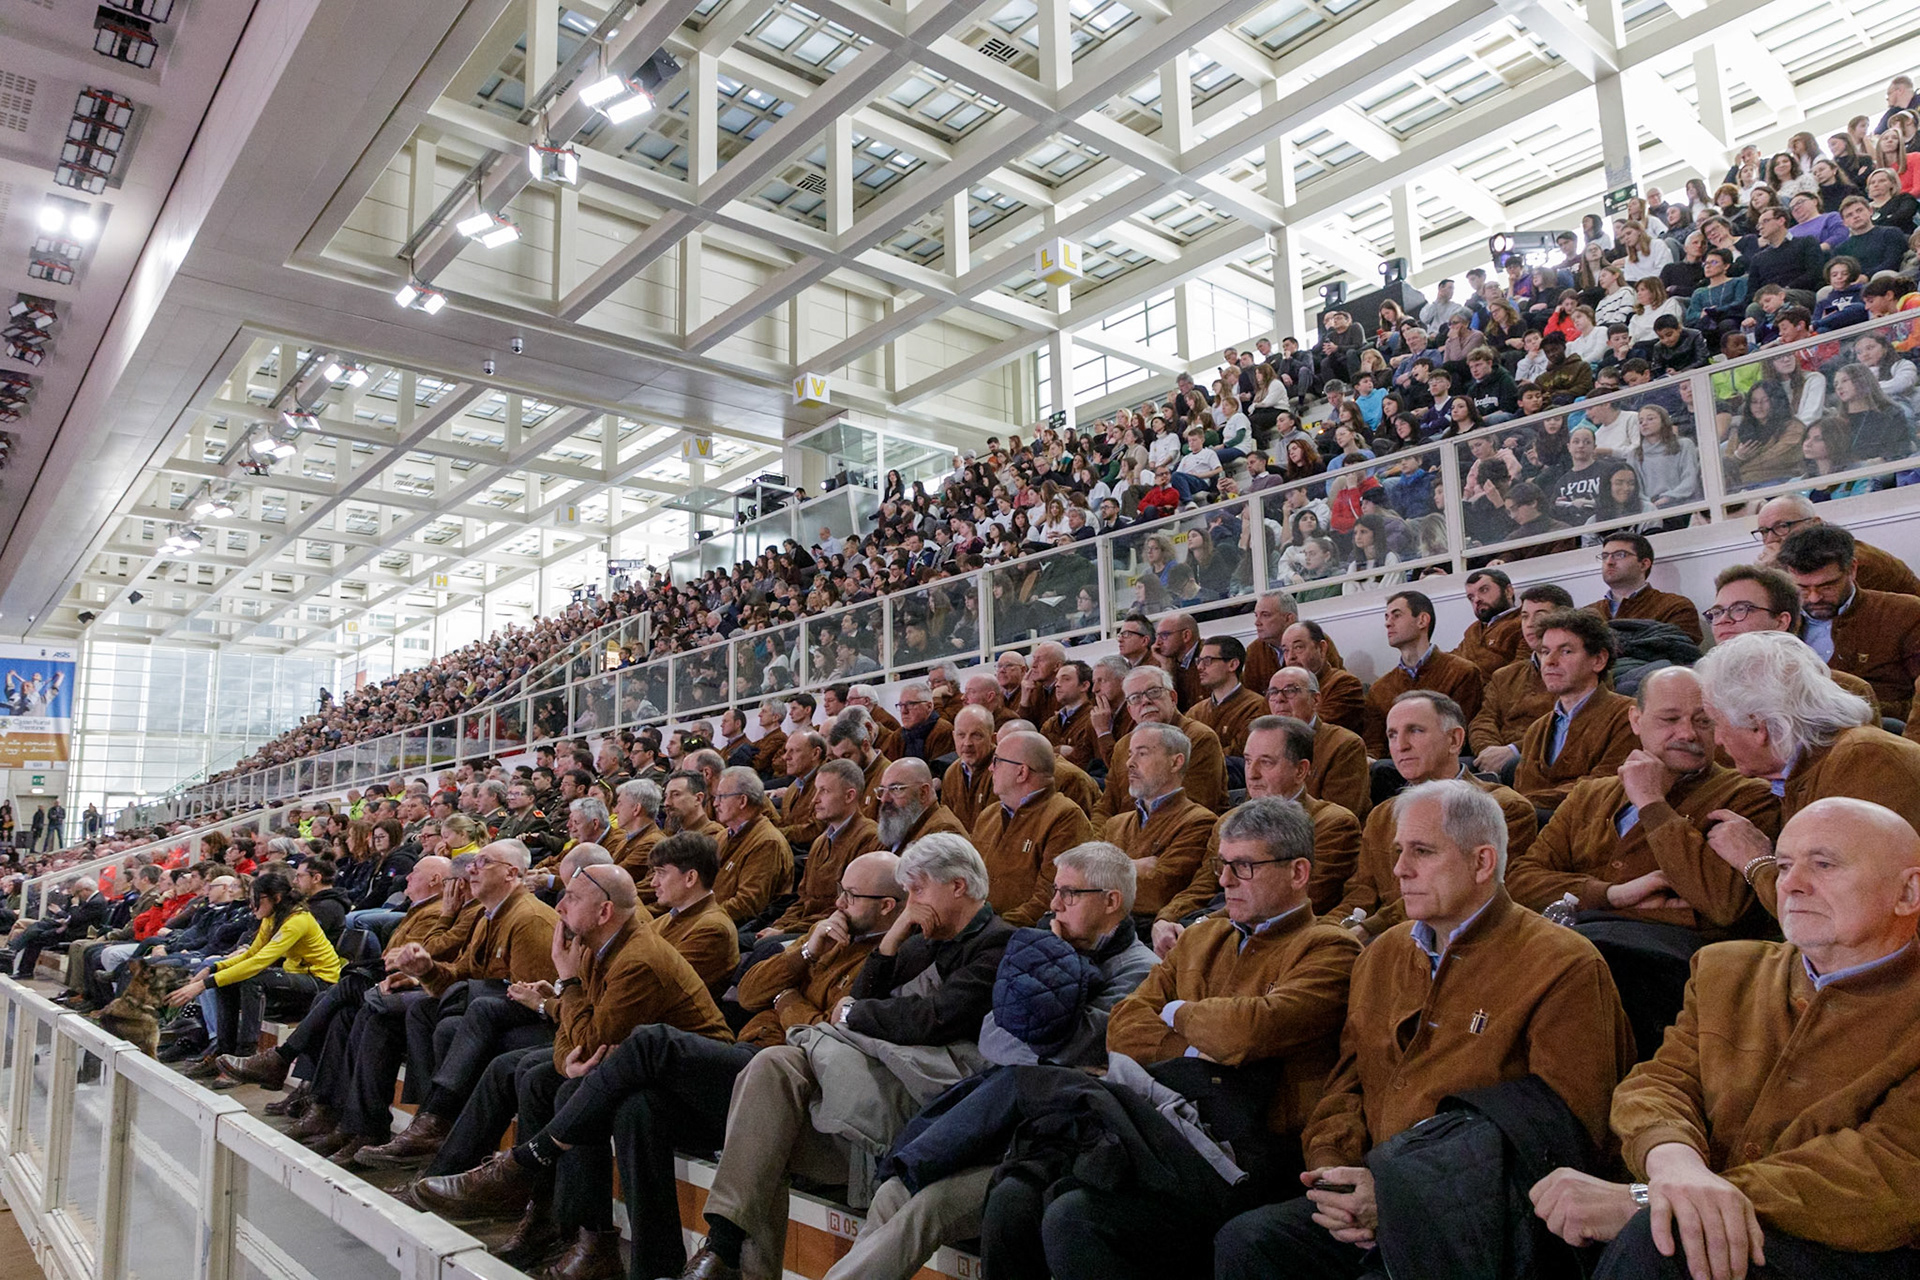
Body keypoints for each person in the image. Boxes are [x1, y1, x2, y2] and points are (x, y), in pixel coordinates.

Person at [408, 852, 907, 1280]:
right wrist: (806, 951)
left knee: (645, 1044)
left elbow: (821, 1032)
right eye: (839, 890)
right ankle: (641, 1260)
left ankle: (528, 1162)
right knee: (623, 1105)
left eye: (851, 896)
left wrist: (566, 989)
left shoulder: (885, 960)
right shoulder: (827, 941)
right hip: (741, 1068)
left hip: (779, 1080)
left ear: (887, 907)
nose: (837, 903)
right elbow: (752, 991)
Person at [1213, 779, 1634, 1280]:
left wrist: (1400, 1197)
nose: (1399, 870)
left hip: (1483, 1221)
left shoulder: (1564, 964)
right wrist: (1336, 1176)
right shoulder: (1383, 954)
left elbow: (1564, 1134)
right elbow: (1347, 1085)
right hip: (1374, 1193)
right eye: (1397, 852)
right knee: (1247, 1243)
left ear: (1481, 863)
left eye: (1422, 851)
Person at [1534, 797, 1920, 1280]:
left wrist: (1650, 1201)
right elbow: (1660, 1082)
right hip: (1709, 1198)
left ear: (1909, 892)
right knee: (1539, 1207)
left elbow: (1885, 1174)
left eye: (1823, 864)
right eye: (1782, 865)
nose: (1791, 884)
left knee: (1661, 1243)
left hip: (1854, 1251)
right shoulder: (1727, 967)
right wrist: (1674, 1166)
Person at [1038, 800, 1362, 1280]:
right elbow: (1124, 1026)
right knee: (1031, 1190)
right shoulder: (1202, 937)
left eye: (1244, 866)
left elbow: (1251, 1029)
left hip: (1255, 1150)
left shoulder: (1329, 947)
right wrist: (1199, 1048)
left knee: (1075, 1213)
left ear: (1298, 872)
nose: (1225, 880)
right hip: (1175, 1127)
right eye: (1221, 865)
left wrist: (1173, 1012)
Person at [671, 836, 1014, 1280]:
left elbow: (929, 1019)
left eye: (917, 891)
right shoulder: (916, 941)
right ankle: (724, 1249)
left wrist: (853, 1012)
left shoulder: (998, 943)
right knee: (771, 1081)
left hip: (911, 1112)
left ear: (958, 887)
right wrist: (890, 940)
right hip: (859, 1095)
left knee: (696, 1076)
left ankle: (722, 1250)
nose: (910, 902)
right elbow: (852, 1005)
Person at [826, 843, 1157, 1280]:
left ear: (1112, 901)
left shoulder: (1140, 972)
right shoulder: (1038, 947)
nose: (1054, 904)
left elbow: (1077, 1046)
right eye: (1055, 891)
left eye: (1069, 894)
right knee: (891, 1191)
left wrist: (1051, 968)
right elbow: (993, 1039)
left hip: (1056, 1141)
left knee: (924, 1207)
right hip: (997, 1121)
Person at [1505, 666, 1781, 1057]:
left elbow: (1724, 907)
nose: (1687, 733)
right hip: (1576, 956)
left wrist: (1653, 804)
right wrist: (1614, 895)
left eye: (1703, 721)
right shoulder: (1591, 794)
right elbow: (1519, 879)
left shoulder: (1748, 795)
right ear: (1636, 720)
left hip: (1660, 977)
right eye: (1669, 719)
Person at [1692, 631, 1920, 917]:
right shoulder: (1806, 769)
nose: (1717, 740)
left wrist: (1754, 860)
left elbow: (1835, 914)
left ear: (1757, 727)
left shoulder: (1865, 760)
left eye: (1715, 723)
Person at [1329, 692, 1538, 939]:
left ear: (1454, 739)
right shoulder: (1382, 815)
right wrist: (1328, 930)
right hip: (1381, 943)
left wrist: (1370, 927)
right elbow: (1360, 893)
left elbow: (1470, 897)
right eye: (1392, 735)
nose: (1400, 745)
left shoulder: (1504, 809)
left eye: (1415, 731)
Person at [1154, 715, 1365, 937]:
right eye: (1247, 760)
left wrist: (1202, 925)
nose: (1252, 774)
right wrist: (1165, 919)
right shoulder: (1228, 821)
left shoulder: (1333, 823)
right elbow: (1203, 885)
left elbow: (1291, 900)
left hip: (1274, 938)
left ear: (1301, 771)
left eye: (1266, 762)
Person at [165, 872, 344, 1079]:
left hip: (320, 982)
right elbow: (252, 953)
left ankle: (245, 1057)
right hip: (296, 975)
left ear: (276, 898)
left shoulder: (298, 920)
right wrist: (213, 969)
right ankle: (223, 1052)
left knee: (251, 978)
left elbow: (259, 962)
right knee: (228, 980)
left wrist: (203, 984)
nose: (252, 906)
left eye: (256, 899)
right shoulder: (273, 916)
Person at [1774, 523, 1920, 722]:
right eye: (1803, 588)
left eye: (1827, 586)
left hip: (1879, 731)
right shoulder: (1777, 622)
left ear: (1852, 569)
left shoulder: (1904, 613)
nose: (1815, 598)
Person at [1511, 609, 1637, 814]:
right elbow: (1523, 789)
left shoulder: (1627, 716)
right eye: (1545, 652)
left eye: (1565, 651)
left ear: (1599, 660)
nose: (1550, 661)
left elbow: (1603, 786)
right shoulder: (1537, 728)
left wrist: (1521, 805)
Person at [969, 728, 1094, 927]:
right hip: (979, 930)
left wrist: (990, 930)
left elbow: (1049, 899)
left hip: (1020, 936)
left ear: (1021, 772)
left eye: (997, 762)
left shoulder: (1065, 816)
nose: (991, 769)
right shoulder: (988, 815)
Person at [1099, 721, 1217, 919]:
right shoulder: (1115, 824)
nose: (1129, 763)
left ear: (1175, 762)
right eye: (1130, 754)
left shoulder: (1199, 822)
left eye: (1142, 753)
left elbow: (1158, 892)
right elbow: (1082, 874)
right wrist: (1133, 866)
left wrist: (1102, 873)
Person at [1359, 590, 1485, 760]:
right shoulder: (1380, 688)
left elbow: (1461, 737)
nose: (1388, 623)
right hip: (1397, 767)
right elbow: (1375, 744)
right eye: (1386, 617)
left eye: (1396, 615)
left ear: (1422, 620)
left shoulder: (1462, 672)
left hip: (1446, 763)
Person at [1470, 584, 1576, 781]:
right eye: (1525, 616)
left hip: (1546, 760)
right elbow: (1483, 720)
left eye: (1540, 615)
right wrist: (1489, 752)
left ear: (1564, 618)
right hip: (1493, 758)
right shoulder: (1505, 675)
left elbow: (1573, 726)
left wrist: (1513, 750)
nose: (1530, 623)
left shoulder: (1577, 670)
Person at [1095, 665, 1227, 817]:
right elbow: (1105, 807)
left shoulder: (1199, 738)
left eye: (1154, 692)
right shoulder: (1123, 746)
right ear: (1130, 711)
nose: (1145, 701)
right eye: (1135, 698)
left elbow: (1191, 807)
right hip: (1125, 833)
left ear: (1173, 698)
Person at [1749, 494, 1920, 597]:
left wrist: (1776, 571)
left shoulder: (1853, 560)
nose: (1771, 539)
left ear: (1814, 523)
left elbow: (1816, 611)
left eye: (1782, 526)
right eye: (1764, 531)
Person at [1264, 667, 1369, 820]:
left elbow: (1337, 817)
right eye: (1273, 692)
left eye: (1290, 690)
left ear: (1315, 700)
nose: (1279, 698)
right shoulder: (1262, 743)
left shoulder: (1345, 744)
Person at [1585, 532, 1704, 643]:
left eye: (1620, 555)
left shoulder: (1675, 607)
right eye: (1605, 556)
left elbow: (1682, 653)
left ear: (1643, 564)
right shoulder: (1587, 614)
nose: (1609, 562)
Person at [1186, 636, 1265, 758]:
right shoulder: (1195, 712)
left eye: (1207, 660)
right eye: (1199, 661)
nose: (1200, 667)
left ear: (1232, 665)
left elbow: (1240, 751)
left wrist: (1200, 759)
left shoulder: (1256, 706)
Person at [1282, 620, 1364, 736]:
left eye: (1298, 647)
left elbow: (1317, 731)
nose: (1290, 657)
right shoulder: (1278, 687)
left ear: (1321, 648)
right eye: (1285, 650)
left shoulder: (1344, 683)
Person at [1453, 568, 1523, 680]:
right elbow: (1452, 660)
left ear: (1508, 591)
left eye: (1484, 590)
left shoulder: (1523, 624)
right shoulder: (1473, 629)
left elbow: (1519, 674)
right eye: (1471, 597)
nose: (1476, 600)